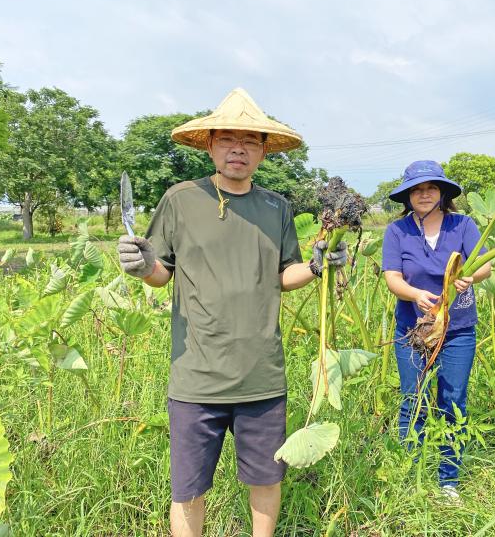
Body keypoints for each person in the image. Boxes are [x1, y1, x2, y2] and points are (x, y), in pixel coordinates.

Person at [117, 88, 346, 537]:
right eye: (226, 139)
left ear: (264, 150)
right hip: (196, 377)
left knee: (266, 479)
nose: (238, 149)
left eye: (250, 140)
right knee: (187, 489)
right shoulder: (180, 200)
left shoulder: (275, 206)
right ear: (209, 145)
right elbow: (162, 272)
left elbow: (285, 273)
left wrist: (317, 265)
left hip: (260, 374)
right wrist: (142, 265)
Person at [381, 160, 492, 500]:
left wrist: (470, 277)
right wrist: (416, 295)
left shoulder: (463, 225)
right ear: (408, 196)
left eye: (430, 187)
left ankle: (448, 480)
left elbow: (485, 264)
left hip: (457, 328)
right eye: (416, 189)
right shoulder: (397, 231)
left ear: (442, 192)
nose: (424, 193)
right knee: (412, 398)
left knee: (452, 399)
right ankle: (409, 471)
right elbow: (393, 278)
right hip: (413, 328)